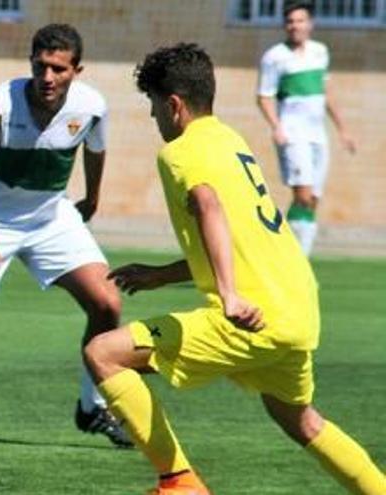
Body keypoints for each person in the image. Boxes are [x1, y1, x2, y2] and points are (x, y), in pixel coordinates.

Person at [85, 42, 385, 494]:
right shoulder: (231, 141)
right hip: (298, 308)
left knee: (103, 354)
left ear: (174, 105)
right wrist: (161, 275)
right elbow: (239, 237)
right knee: (300, 419)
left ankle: (178, 483)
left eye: (153, 106)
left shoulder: (180, 153)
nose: (153, 119)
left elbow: (208, 207)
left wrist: (228, 295)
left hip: (252, 315)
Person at [0, 24, 130, 448]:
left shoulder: (92, 106)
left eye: (58, 69)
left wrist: (93, 199)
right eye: (40, 66)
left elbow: (97, 148)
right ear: (31, 63)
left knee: (107, 304)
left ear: (77, 70)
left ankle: (92, 408)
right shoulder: (1, 103)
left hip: (51, 218)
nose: (47, 77)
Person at [256, 1, 356, 256]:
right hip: (293, 134)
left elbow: (326, 94)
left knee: (312, 200)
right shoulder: (274, 56)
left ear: (310, 24)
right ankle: (291, 258)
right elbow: (264, 96)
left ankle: (297, 257)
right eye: (290, 21)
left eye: (300, 20)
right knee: (303, 194)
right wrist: (276, 127)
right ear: (284, 25)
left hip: (318, 136)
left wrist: (343, 130)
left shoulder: (319, 52)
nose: (294, 26)